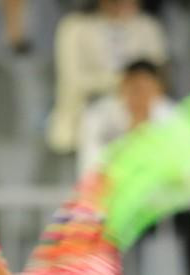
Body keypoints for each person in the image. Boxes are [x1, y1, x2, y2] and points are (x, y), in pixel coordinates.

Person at [49, 0, 168, 159]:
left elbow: (155, 76)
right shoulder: (74, 27)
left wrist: (134, 92)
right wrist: (125, 82)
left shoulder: (147, 27)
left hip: (139, 119)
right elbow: (73, 81)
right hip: (86, 113)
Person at [77, 60, 174, 182]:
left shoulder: (173, 118)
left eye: (146, 89)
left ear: (158, 90)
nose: (140, 96)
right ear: (123, 86)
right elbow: (89, 168)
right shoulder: (98, 116)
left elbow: (178, 171)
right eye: (135, 89)